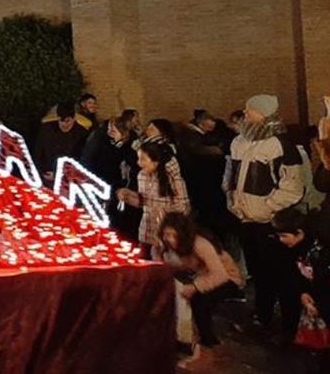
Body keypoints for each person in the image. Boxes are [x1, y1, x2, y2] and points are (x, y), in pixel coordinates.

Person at [225, 94, 305, 336]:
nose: (246, 114)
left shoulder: (280, 144)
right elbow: (232, 175)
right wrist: (232, 200)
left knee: (279, 272)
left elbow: (292, 185)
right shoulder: (239, 141)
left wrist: (269, 207)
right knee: (258, 271)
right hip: (245, 218)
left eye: (251, 111)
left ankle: (289, 324)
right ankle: (263, 315)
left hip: (268, 221)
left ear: (264, 114)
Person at [155, 211, 244, 364]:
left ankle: (209, 343)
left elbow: (220, 274)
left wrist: (196, 287)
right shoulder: (167, 246)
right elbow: (167, 265)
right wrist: (158, 251)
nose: (168, 238)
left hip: (228, 278)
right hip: (202, 277)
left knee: (200, 302)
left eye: (172, 234)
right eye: (166, 234)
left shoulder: (199, 244)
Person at [116, 121, 191, 251]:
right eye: (138, 158)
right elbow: (143, 201)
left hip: (167, 235)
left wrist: (165, 213)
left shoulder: (172, 178)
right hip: (146, 232)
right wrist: (127, 195)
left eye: (143, 159)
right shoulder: (142, 176)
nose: (139, 163)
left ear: (156, 161)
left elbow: (184, 206)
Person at [178, 111, 234, 241]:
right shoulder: (192, 138)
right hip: (202, 183)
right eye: (211, 120)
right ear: (201, 122)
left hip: (201, 184)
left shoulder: (201, 137)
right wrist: (216, 151)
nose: (213, 123)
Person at [33, 101, 87, 183]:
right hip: (44, 174)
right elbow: (37, 153)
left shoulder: (81, 133)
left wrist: (59, 175)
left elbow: (81, 160)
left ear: (74, 119)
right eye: (61, 120)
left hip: (67, 179)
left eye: (68, 121)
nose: (64, 124)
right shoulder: (47, 129)